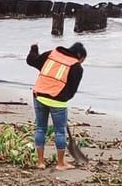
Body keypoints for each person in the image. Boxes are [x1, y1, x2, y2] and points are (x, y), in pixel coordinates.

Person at [26, 41, 87, 170]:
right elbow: (72, 90)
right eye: (82, 60)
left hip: (39, 95)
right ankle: (60, 164)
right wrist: (63, 98)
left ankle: (40, 162)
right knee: (60, 131)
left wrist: (34, 48)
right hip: (58, 100)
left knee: (40, 128)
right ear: (79, 55)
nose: (81, 62)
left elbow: (31, 60)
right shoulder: (76, 67)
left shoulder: (51, 55)